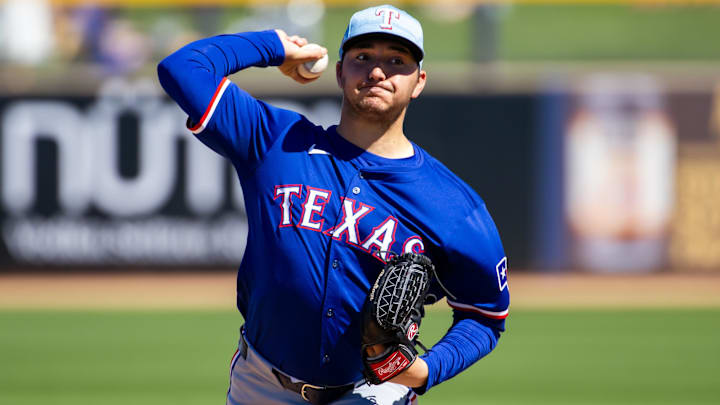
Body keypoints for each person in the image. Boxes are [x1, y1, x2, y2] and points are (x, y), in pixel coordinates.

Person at [158, 4, 509, 405]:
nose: (378, 72)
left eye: (397, 61)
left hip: (374, 393)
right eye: (363, 58)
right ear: (341, 72)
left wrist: (426, 370)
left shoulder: (453, 206)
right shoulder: (276, 141)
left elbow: (486, 316)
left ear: (419, 82)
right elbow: (183, 68)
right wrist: (274, 45)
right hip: (262, 385)